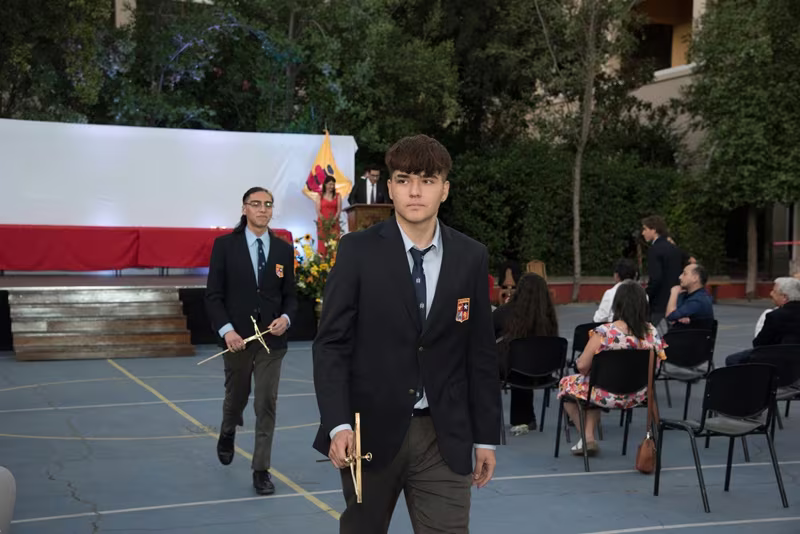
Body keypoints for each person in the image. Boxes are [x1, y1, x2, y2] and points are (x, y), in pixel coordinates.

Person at [313, 134, 500, 534]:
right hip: (368, 433)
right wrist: (338, 424)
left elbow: (481, 352)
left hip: (444, 435)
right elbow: (331, 345)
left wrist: (486, 437)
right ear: (390, 188)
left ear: (444, 189)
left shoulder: (471, 256)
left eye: (427, 180)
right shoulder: (357, 251)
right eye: (404, 180)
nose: (415, 191)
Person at [205, 187, 297, 495]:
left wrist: (286, 319)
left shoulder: (283, 249)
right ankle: (228, 429)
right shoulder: (224, 246)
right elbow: (213, 296)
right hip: (238, 340)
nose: (262, 209)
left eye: (268, 204)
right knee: (237, 398)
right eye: (255, 204)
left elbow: (291, 297)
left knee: (265, 402)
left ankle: (261, 470)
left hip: (272, 342)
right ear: (244, 209)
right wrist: (227, 331)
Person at [558, 280, 667, 455]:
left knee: (568, 384)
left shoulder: (604, 332)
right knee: (592, 384)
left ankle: (587, 437)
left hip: (604, 393)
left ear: (618, 304)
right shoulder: (651, 332)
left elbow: (582, 366)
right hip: (638, 394)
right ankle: (587, 438)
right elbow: (656, 365)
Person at [493, 273, 559, 436]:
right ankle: (526, 418)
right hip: (545, 370)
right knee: (524, 360)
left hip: (512, 371)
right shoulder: (549, 316)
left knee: (514, 361)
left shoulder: (503, 313)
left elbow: (487, 338)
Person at [726, 277, 800, 365]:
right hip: (795, 360)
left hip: (777, 360)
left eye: (774, 292)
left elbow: (759, 344)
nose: (771, 294)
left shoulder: (775, 316)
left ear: (784, 297)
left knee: (732, 360)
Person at [641, 216, 685, 329]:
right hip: (674, 299)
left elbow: (656, 278)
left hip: (658, 301)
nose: (643, 233)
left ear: (654, 230)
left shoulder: (654, 250)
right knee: (674, 332)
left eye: (645, 229)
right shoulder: (674, 248)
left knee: (645, 331)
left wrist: (647, 294)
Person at [665, 263, 714, 328]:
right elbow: (674, 316)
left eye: (684, 274)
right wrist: (680, 317)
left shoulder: (698, 300)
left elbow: (670, 316)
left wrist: (674, 292)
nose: (680, 277)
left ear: (695, 278)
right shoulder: (689, 295)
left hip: (691, 334)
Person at [315, 174, 341, 255]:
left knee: (334, 244)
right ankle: (322, 261)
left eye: (333, 184)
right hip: (322, 223)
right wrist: (325, 221)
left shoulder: (338, 195)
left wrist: (333, 220)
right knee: (322, 245)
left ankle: (334, 261)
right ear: (325, 185)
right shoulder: (320, 196)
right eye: (330, 184)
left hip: (334, 223)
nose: (331, 186)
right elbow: (318, 210)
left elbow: (339, 210)